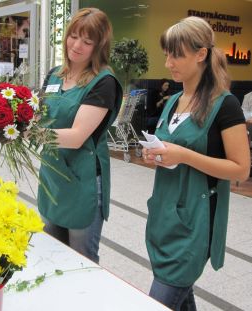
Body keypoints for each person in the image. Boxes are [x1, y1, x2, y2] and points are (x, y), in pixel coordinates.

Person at [142, 16, 250, 310]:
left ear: (201, 54)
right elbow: (171, 151)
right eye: (167, 54)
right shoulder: (174, 101)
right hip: (164, 217)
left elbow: (241, 168)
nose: (168, 62)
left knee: (161, 299)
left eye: (177, 54)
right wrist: (155, 154)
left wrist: (184, 155)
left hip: (194, 223)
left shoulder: (224, 105)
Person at [37, 8, 122, 264]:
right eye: (73, 36)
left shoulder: (103, 82)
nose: (77, 45)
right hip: (53, 176)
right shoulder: (54, 74)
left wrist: (32, 133)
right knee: (52, 255)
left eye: (87, 41)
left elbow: (76, 136)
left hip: (82, 180)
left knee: (81, 260)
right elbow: (39, 112)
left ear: (99, 46)